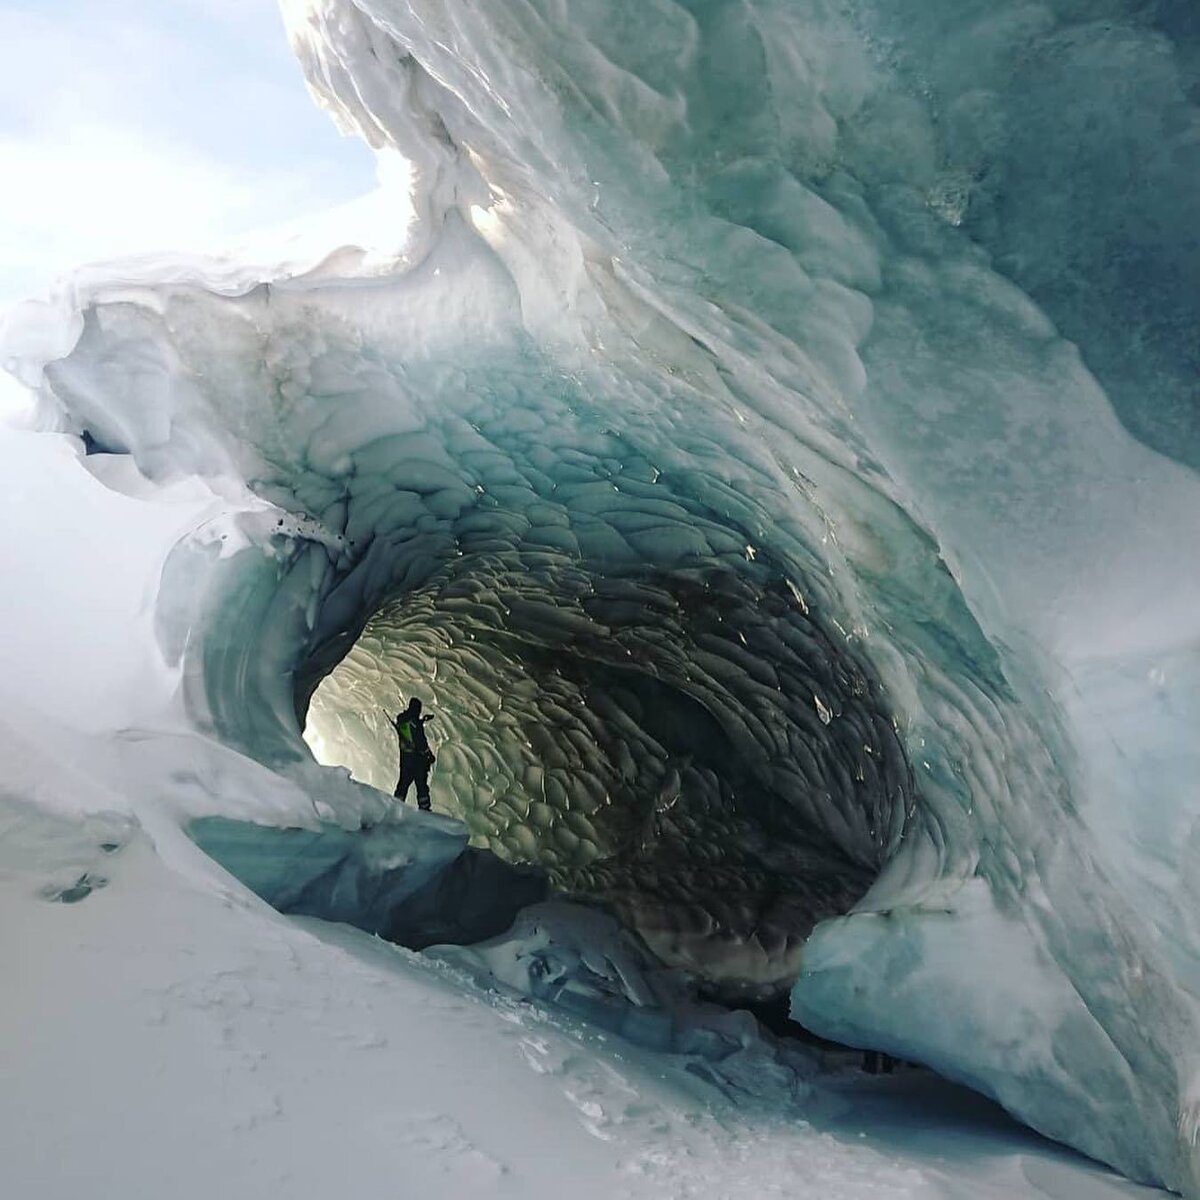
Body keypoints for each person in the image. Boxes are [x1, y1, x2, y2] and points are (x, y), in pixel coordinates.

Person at [390, 697, 436, 811]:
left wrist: (422, 720)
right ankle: (425, 810)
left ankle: (395, 808)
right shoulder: (415, 723)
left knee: (402, 786)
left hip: (405, 759)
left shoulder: (402, 720)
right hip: (417, 761)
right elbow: (420, 742)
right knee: (421, 787)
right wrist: (429, 756)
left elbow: (410, 730)